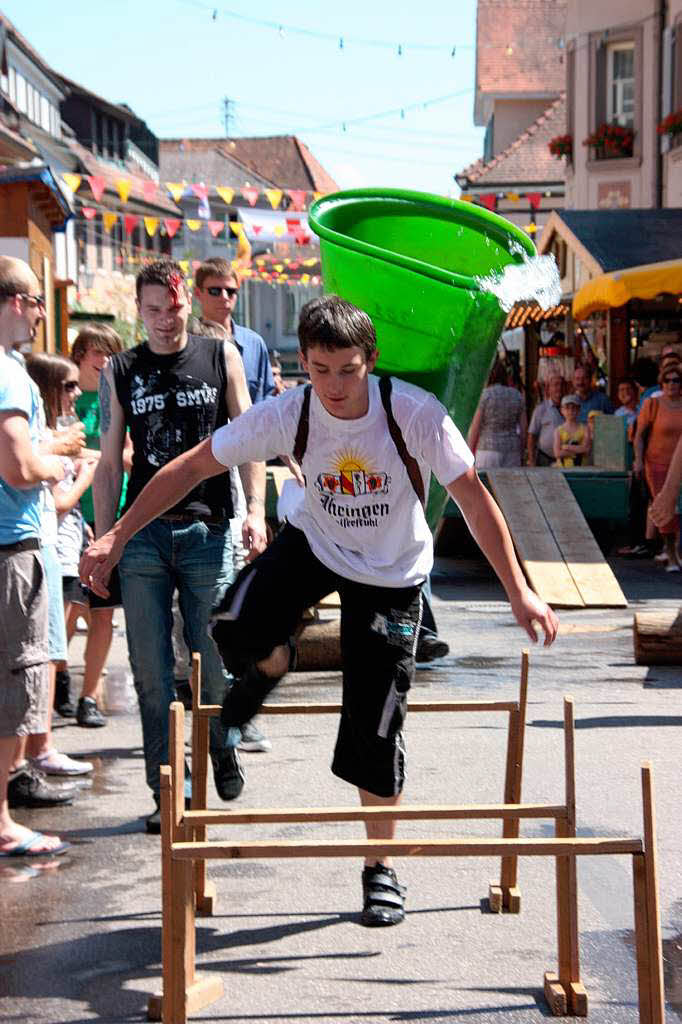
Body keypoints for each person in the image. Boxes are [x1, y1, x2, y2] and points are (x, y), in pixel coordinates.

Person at [80, 294, 558, 925]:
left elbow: (472, 498)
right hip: (318, 546)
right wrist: (117, 533)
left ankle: (380, 868)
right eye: (321, 370)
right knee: (231, 625)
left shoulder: (412, 412)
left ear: (371, 361)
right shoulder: (288, 413)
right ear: (303, 362)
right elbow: (189, 468)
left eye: (348, 370)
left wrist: (519, 589)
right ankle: (275, 656)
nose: (334, 386)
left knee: (375, 728)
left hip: (393, 574)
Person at [88, 259, 267, 833]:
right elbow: (110, 458)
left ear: (187, 303)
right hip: (140, 538)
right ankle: (168, 788)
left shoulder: (221, 357)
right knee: (150, 669)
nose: (165, 321)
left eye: (173, 308)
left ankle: (221, 739)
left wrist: (256, 510)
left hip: (207, 529)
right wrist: (102, 540)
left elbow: (251, 438)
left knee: (213, 661)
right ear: (139, 311)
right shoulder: (120, 369)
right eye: (153, 311)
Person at [0, 256, 72, 856]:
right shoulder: (7, 373)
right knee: (15, 684)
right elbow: (20, 468)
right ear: (19, 302)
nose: (43, 313)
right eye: (38, 302)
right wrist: (61, 462)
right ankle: (1, 822)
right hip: (11, 548)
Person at [194, 258, 276, 754]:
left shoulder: (253, 345)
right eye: (215, 289)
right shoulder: (189, 344)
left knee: (234, 602)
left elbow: (263, 418)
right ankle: (212, 712)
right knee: (200, 615)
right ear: (199, 294)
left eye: (231, 290)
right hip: (196, 486)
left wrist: (256, 506)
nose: (225, 298)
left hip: (239, 479)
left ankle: (234, 712)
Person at [24, 353, 96, 777]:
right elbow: (58, 500)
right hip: (47, 546)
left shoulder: (56, 435)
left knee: (54, 646)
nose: (75, 392)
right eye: (68, 386)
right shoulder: (47, 437)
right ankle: (40, 746)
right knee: (50, 651)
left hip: (59, 545)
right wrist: (84, 476)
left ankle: (40, 743)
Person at [62, 323, 129, 727]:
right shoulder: (67, 395)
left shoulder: (116, 395)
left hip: (109, 513)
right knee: (70, 609)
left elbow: (126, 452)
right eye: (96, 352)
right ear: (80, 355)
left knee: (102, 611)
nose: (103, 360)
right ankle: (56, 680)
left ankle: (89, 697)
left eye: (110, 352)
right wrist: (101, 453)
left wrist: (97, 454)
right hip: (68, 514)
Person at [634, 361, 682, 571]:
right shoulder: (652, 404)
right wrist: (637, 459)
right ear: (661, 383)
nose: (672, 384)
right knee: (664, 508)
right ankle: (670, 552)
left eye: (676, 380)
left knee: (681, 511)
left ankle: (678, 550)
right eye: (667, 380)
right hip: (657, 464)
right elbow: (639, 436)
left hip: (679, 463)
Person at [467, 360, 526, 468]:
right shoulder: (517, 396)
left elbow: (475, 428)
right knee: (511, 484)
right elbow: (523, 430)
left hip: (487, 451)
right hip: (512, 451)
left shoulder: (485, 395)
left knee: (486, 484)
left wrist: (469, 453)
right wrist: (521, 453)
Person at [527, 373, 564, 467]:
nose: (559, 388)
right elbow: (532, 436)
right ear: (548, 389)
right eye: (555, 385)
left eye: (561, 385)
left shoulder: (572, 408)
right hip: (545, 459)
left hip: (566, 460)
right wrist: (531, 461)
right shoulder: (541, 409)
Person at [553, 394, 591, 467]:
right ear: (562, 410)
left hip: (582, 470)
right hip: (562, 470)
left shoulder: (585, 429)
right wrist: (577, 452)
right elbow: (557, 453)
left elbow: (586, 449)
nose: (570, 411)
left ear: (579, 410)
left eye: (574, 408)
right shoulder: (558, 430)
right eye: (567, 408)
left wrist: (566, 447)